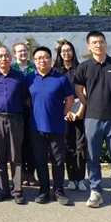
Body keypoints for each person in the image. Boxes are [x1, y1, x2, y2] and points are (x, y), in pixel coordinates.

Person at [74, 31, 111, 211]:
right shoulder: (84, 67)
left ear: (106, 43)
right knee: (93, 156)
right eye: (94, 42)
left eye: (101, 42)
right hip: (92, 118)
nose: (98, 45)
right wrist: (87, 104)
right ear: (88, 46)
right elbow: (78, 89)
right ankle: (96, 191)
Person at [27, 47, 74, 206]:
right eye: (38, 58)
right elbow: (26, 99)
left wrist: (62, 113)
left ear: (51, 59)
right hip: (35, 127)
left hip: (56, 126)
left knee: (58, 161)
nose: (42, 60)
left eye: (45, 57)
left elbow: (69, 98)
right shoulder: (29, 79)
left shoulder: (60, 78)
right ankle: (44, 190)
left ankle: (59, 191)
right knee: (40, 160)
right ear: (34, 61)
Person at [0, 46, 29, 205]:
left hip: (15, 119)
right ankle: (3, 190)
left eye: (6, 56)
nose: (4, 58)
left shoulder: (19, 77)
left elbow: (25, 97)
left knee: (15, 156)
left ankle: (17, 191)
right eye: (0, 56)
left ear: (11, 58)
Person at [54, 40, 87, 192]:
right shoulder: (55, 71)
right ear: (59, 54)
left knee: (81, 146)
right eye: (63, 51)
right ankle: (71, 179)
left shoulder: (80, 69)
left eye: (69, 50)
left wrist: (80, 110)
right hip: (63, 112)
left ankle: (80, 179)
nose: (66, 53)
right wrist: (65, 111)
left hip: (80, 110)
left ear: (73, 52)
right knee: (68, 146)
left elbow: (85, 90)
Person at [12, 41, 37, 186]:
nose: (23, 53)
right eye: (20, 51)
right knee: (18, 142)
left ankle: (31, 173)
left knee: (31, 142)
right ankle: (20, 172)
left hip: (32, 109)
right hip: (16, 109)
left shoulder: (34, 67)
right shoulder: (11, 68)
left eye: (25, 50)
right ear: (14, 54)